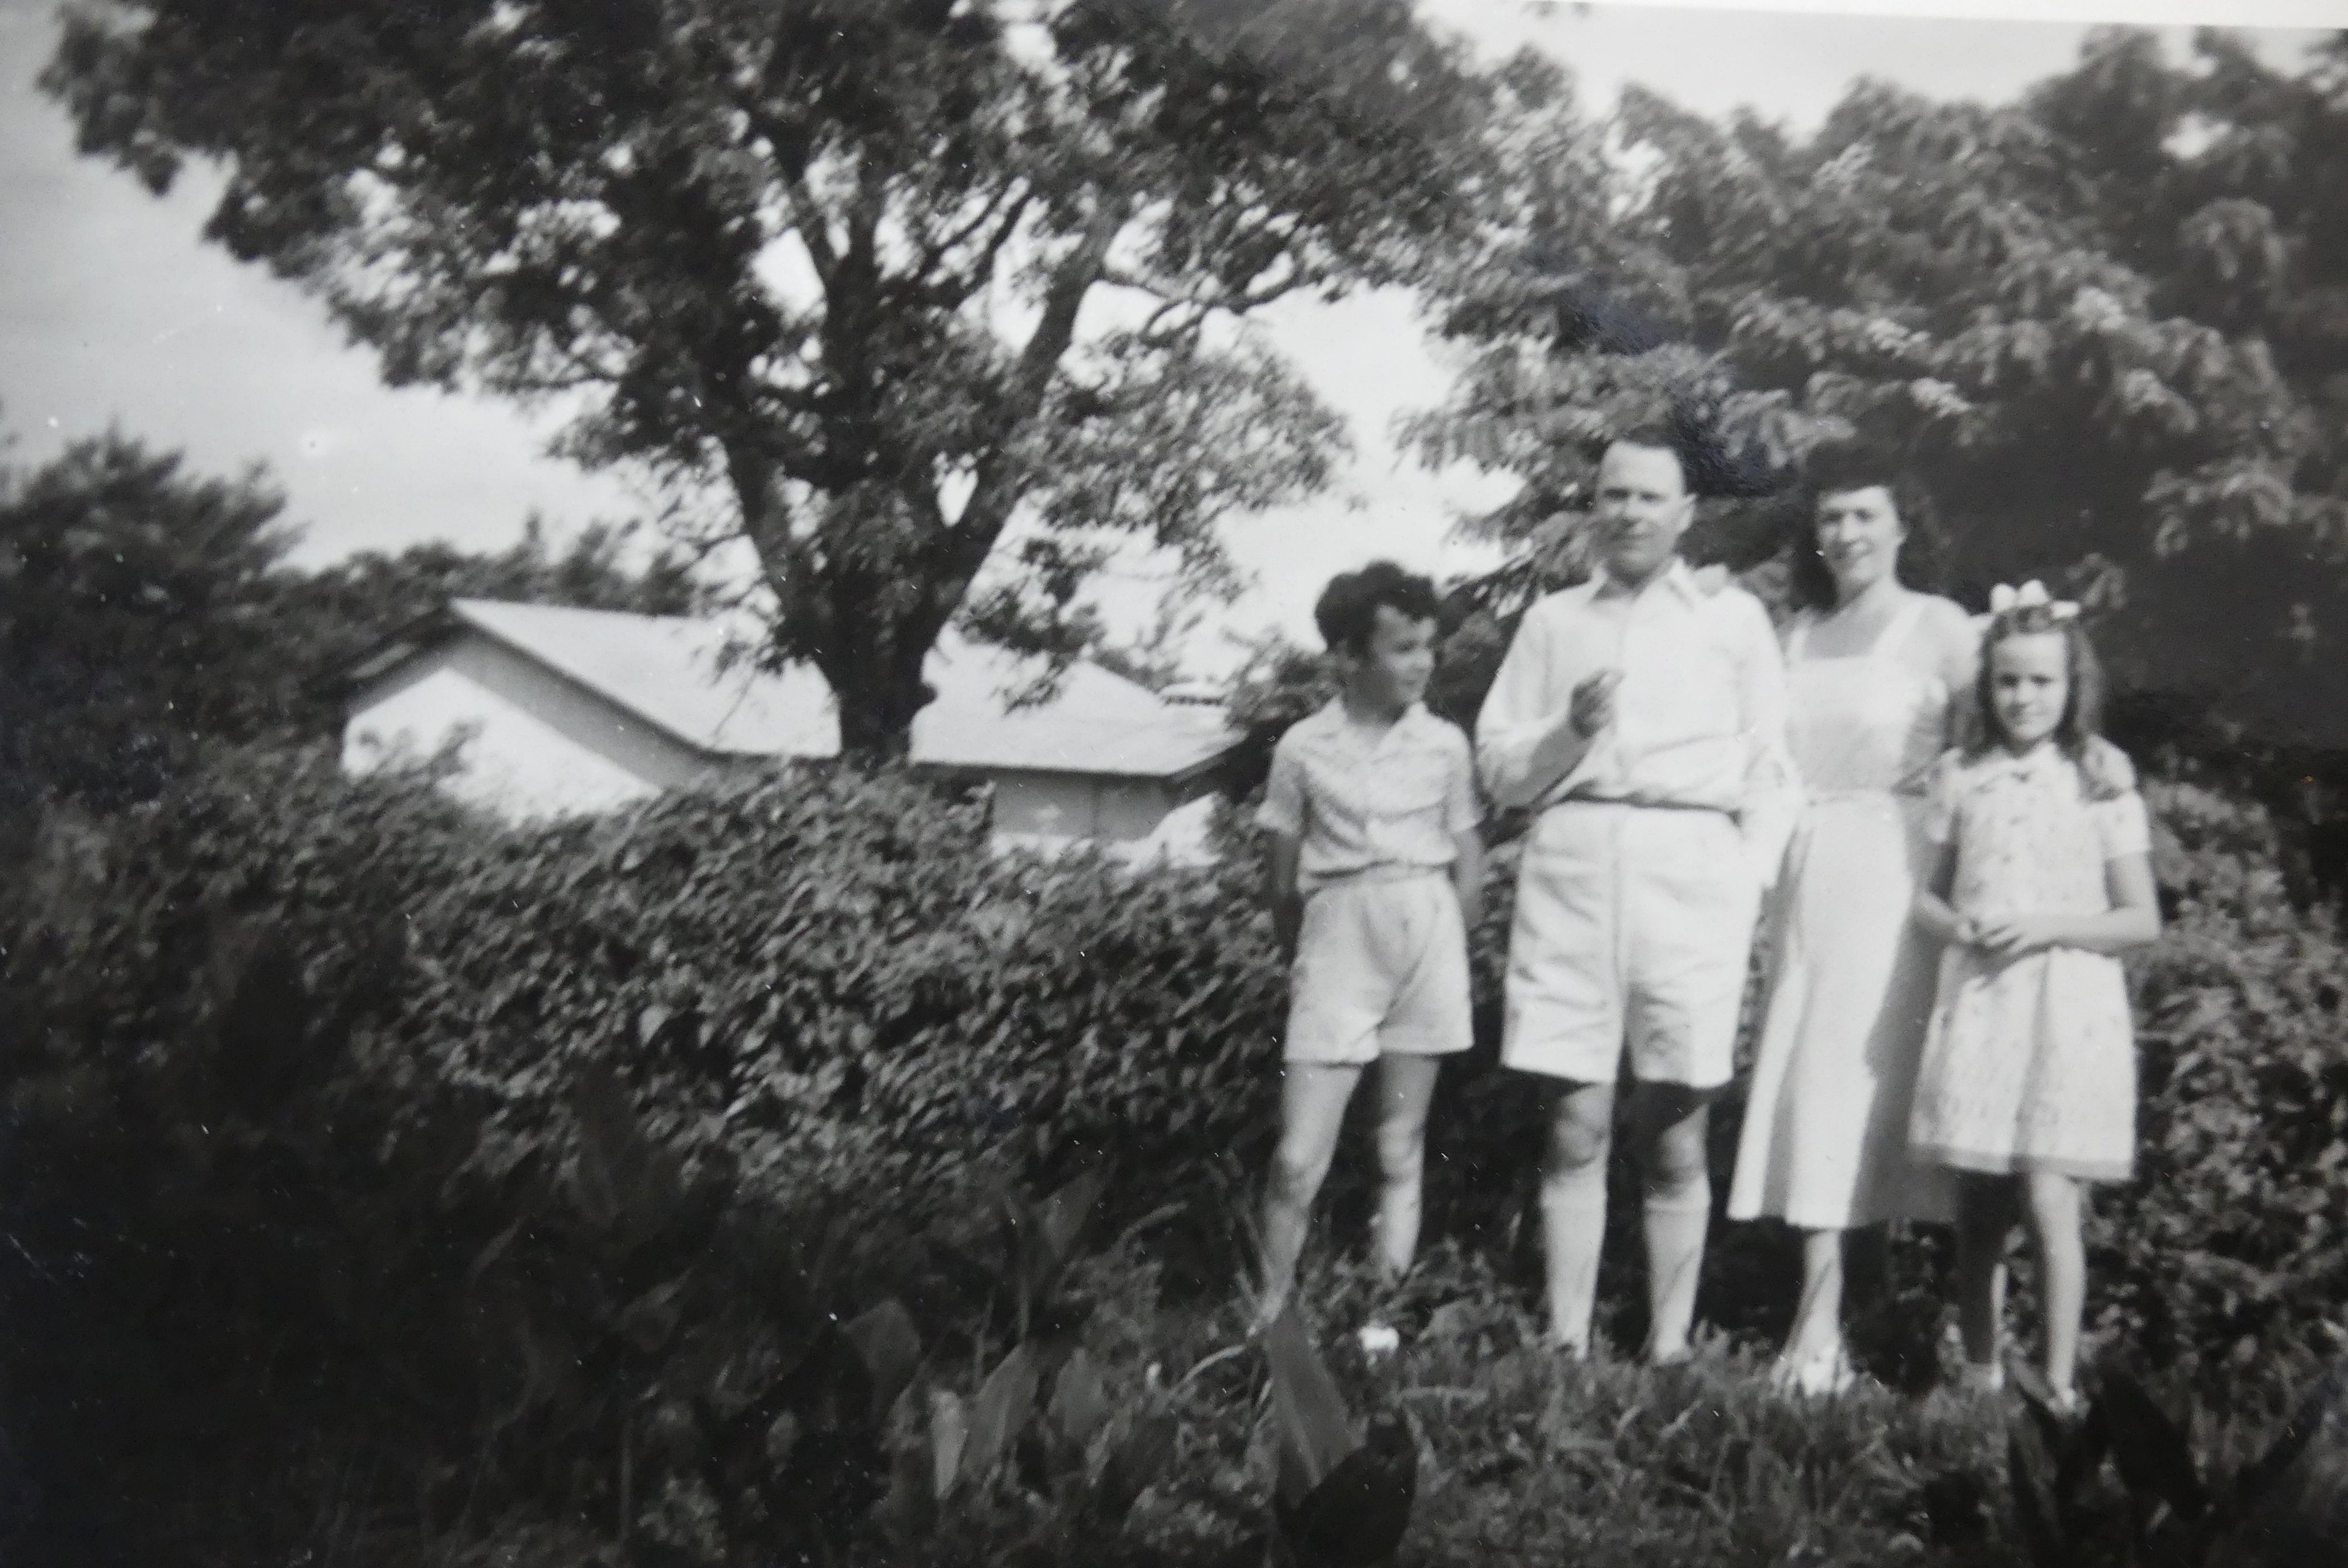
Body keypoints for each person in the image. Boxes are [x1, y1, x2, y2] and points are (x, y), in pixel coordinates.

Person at [1476, 428, 1799, 1363]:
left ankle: (1669, 1347)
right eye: (1614, 495)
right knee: (1574, 1124)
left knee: (1675, 1131)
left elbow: (1773, 768)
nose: (1628, 513)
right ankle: (1567, 1343)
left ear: (1685, 514)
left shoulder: (1731, 620)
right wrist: (1569, 731)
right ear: (1594, 506)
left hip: (1693, 874)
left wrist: (1745, 878)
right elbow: (1500, 770)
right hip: (1574, 869)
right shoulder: (1553, 623)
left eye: (1649, 497)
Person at [1725, 445, 1978, 1396]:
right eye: (1831, 517)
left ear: (1902, 524)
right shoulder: (1795, 634)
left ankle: (1890, 1323)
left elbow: (1997, 742)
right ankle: (1825, 1322)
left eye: (1866, 514)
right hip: (1805, 870)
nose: (1847, 532)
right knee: (1814, 1084)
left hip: (1900, 869)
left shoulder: (1940, 626)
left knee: (1875, 1085)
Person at [1907, 582, 2161, 1414]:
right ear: (1988, 687)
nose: (2024, 698)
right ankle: (1981, 1378)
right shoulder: (1961, 777)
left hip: (2067, 1008)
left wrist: (2046, 926)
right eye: (2009, 681)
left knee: (2051, 1198)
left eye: (2042, 682)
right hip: (1985, 1003)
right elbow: (1926, 898)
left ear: (2071, 686)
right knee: (1980, 1205)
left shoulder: (2099, 780)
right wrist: (1960, 926)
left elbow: (2139, 919)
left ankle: (2057, 1388)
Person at [1254, 562, 1483, 1330]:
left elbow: (1469, 856)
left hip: (1427, 932)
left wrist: (1450, 937)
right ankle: (1269, 1318)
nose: (1423, 663)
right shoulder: (1301, 748)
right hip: (1339, 935)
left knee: (1399, 1146)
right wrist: (1312, 955)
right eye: (1403, 649)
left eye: (1428, 647)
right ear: (1350, 656)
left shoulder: (1445, 744)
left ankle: (1382, 1318)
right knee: (1297, 1160)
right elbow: (1281, 881)